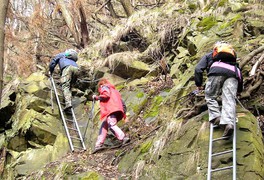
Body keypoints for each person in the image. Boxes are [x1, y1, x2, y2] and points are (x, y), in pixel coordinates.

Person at [194, 41, 243, 137]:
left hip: (217, 70)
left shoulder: (210, 55)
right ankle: (228, 123)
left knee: (210, 96)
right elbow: (239, 75)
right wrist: (239, 91)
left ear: (215, 49)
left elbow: (198, 69)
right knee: (229, 99)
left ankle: (216, 117)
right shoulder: (232, 56)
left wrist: (199, 84)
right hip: (233, 73)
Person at [92, 78, 130, 151]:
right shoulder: (115, 91)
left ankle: (123, 138)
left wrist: (97, 97)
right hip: (118, 110)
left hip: (112, 109)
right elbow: (122, 103)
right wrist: (123, 113)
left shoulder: (104, 87)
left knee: (111, 124)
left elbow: (106, 95)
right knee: (104, 125)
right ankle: (98, 144)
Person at [49, 49, 78, 113]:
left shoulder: (61, 55)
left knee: (65, 86)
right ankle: (68, 102)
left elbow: (53, 62)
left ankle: (68, 104)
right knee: (70, 87)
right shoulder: (72, 57)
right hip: (76, 68)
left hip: (67, 68)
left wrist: (50, 71)